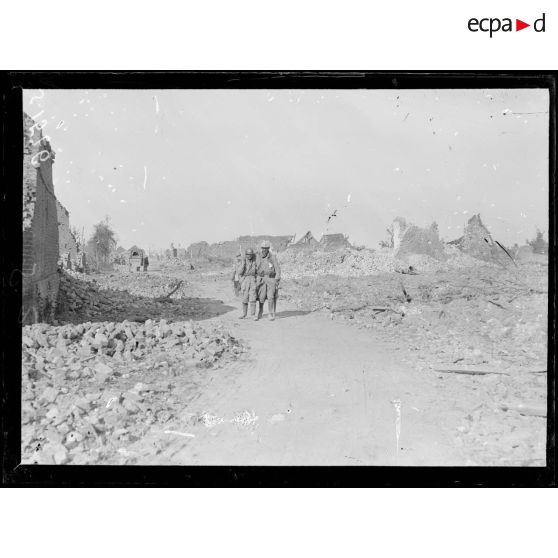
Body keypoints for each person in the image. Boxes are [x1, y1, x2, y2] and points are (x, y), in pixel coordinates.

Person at [255, 240, 281, 321]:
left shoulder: (272, 257)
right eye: (262, 248)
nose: (264, 250)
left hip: (270, 279)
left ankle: (270, 313)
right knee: (261, 297)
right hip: (261, 279)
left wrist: (277, 279)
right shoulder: (258, 256)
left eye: (265, 248)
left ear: (268, 249)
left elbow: (277, 269)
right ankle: (260, 311)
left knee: (270, 297)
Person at [238, 248, 258, 319]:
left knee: (253, 298)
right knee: (244, 298)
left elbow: (258, 271)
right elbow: (239, 272)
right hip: (245, 280)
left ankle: (253, 315)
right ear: (246, 255)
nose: (249, 256)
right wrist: (243, 263)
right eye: (248, 254)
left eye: (250, 254)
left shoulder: (255, 261)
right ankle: (244, 314)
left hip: (252, 280)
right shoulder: (243, 261)